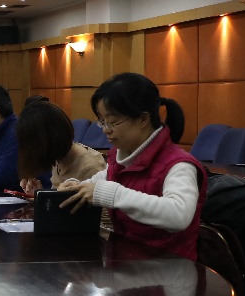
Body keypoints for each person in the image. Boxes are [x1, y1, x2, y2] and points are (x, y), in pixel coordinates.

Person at [58, 72, 206, 260]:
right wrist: (77, 187)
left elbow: (178, 215)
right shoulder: (121, 157)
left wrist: (112, 194)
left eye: (113, 122)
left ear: (143, 119)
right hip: (129, 264)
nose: (106, 130)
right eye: (102, 121)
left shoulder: (179, 165)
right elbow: (99, 182)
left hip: (169, 269)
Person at [16, 100, 106, 193]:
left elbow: (99, 201)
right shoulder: (59, 158)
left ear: (49, 138)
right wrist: (40, 195)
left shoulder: (90, 167)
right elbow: (61, 198)